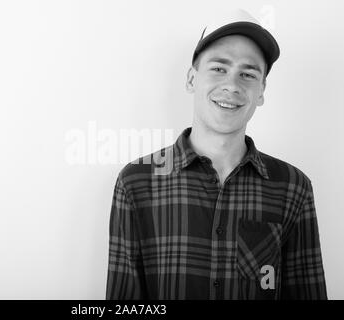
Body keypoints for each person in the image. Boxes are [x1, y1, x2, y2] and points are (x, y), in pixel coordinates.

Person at [105, 8, 327, 300]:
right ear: (191, 79)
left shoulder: (293, 187)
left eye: (247, 74)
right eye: (219, 68)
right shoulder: (136, 183)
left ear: (261, 91)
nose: (232, 86)